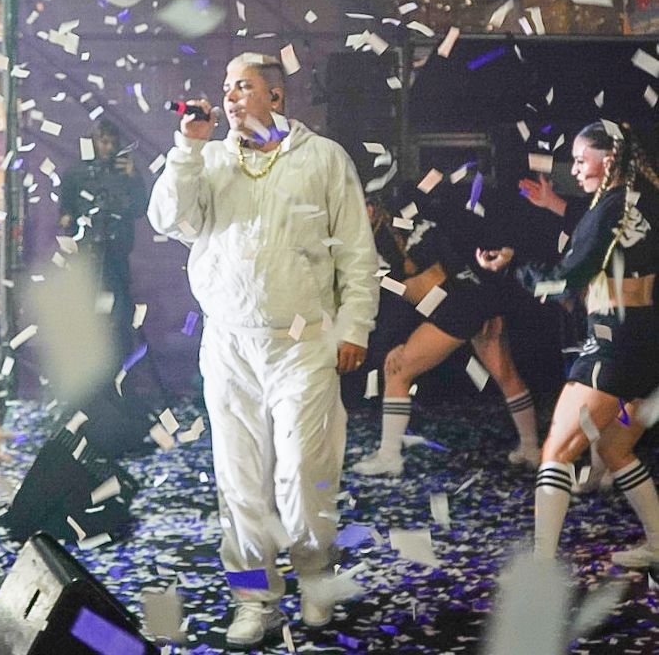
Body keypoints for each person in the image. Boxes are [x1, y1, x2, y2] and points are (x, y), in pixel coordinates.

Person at [147, 52, 379, 647]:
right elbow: (169, 220)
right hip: (228, 343)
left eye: (243, 87)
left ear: (276, 98)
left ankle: (315, 579)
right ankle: (255, 599)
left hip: (302, 341)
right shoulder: (209, 158)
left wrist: (355, 326)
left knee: (303, 473)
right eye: (225, 87)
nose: (228, 97)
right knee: (240, 481)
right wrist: (187, 148)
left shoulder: (324, 159)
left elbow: (355, 249)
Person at [477, 121, 659, 566]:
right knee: (615, 448)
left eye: (581, 160)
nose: (574, 170)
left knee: (555, 451)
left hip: (613, 343)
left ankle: (540, 564)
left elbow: (563, 280)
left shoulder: (615, 205)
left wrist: (514, 267)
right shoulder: (644, 200)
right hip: (645, 342)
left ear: (609, 158)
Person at [353, 193, 541, 475]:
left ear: (370, 209)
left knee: (397, 371)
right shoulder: (387, 233)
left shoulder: (400, 228)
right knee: (506, 374)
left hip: (455, 306)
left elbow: (456, 263)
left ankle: (389, 456)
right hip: (461, 304)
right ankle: (531, 447)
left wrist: (397, 341)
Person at [58, 118, 149, 365]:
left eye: (112, 142)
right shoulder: (77, 172)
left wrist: (132, 178)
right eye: (103, 142)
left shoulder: (126, 171)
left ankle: (118, 359)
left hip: (117, 251)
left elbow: (141, 208)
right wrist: (68, 219)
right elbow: (65, 208)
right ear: (94, 142)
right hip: (86, 252)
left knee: (118, 307)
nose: (107, 148)